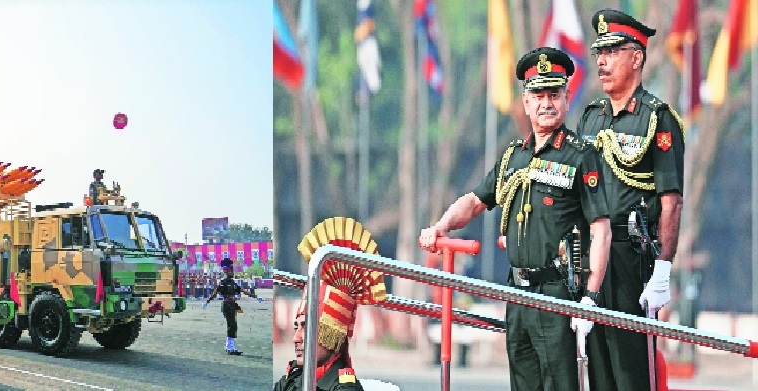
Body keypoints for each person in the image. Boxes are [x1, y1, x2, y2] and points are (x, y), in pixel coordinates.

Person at [418, 47, 612, 390]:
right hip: (518, 291)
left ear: (567, 99)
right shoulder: (513, 157)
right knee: (522, 384)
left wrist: (590, 300)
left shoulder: (581, 157)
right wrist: (441, 227)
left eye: (554, 94)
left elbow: (601, 231)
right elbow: (474, 201)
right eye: (538, 95)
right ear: (526, 102)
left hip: (558, 293)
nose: (546, 103)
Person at [575, 9, 684, 391]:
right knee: (599, 368)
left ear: (636, 58)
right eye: (598, 54)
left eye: (612, 52)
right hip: (592, 256)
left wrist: (663, 271)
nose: (601, 62)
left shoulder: (657, 118)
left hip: (632, 259)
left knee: (631, 371)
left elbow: (671, 200)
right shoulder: (590, 118)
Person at [274, 217, 390, 391]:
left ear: (333, 337)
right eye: (296, 327)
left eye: (306, 327)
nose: (295, 338)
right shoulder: (292, 380)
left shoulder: (345, 388)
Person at [202, 258, 262, 355]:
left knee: (233, 325)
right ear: (227, 271)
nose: (233, 272)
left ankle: (230, 345)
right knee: (232, 325)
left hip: (232, 305)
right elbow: (215, 293)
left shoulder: (232, 282)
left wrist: (256, 297)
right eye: (231, 271)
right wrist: (207, 301)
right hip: (227, 305)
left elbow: (243, 291)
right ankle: (230, 347)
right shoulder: (224, 282)